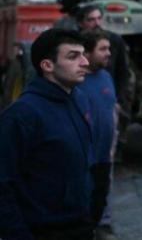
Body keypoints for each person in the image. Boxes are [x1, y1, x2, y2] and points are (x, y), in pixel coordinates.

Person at [0, 28, 95, 240]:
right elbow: (3, 183)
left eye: (83, 54)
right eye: (73, 56)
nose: (85, 63)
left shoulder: (79, 99)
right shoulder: (22, 115)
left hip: (80, 225)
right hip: (43, 229)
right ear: (47, 65)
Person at [80, 29, 118, 240]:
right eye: (102, 49)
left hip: (104, 160)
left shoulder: (106, 77)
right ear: (88, 52)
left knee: (98, 203)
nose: (108, 53)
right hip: (85, 161)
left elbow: (111, 110)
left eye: (109, 48)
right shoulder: (76, 80)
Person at [75, 5, 132, 122]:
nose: (97, 23)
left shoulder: (114, 40)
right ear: (81, 23)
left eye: (99, 18)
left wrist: (120, 100)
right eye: (91, 20)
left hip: (109, 97)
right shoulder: (74, 42)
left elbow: (123, 72)